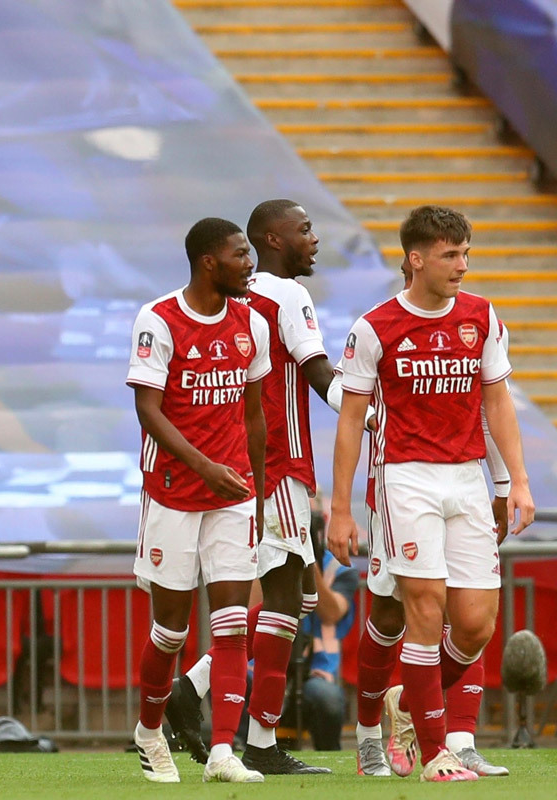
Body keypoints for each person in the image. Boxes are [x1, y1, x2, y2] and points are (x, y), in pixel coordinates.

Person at [329, 205, 534, 782]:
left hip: (467, 477)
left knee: (474, 625)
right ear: (415, 259)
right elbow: (351, 420)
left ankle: (407, 705)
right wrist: (341, 507)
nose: (462, 266)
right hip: (405, 479)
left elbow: (497, 402)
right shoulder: (375, 328)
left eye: (466, 254)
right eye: (450, 255)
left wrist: (516, 481)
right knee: (422, 610)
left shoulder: (481, 317)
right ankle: (437, 751)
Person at [165, 200, 339, 775]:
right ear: (274, 239)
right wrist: (376, 410)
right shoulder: (287, 295)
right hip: (279, 464)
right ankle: (260, 740)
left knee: (298, 598)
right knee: (287, 602)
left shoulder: (240, 296)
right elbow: (320, 376)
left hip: (254, 463)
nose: (313, 238)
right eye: (304, 229)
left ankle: (194, 685)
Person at [126, 217, 270, 784]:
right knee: (172, 631)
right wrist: (205, 467)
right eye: (240, 254)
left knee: (232, 625)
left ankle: (222, 752)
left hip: (233, 495)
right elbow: (148, 409)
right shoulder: (159, 319)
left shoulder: (251, 323)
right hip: (173, 492)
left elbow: (254, 416)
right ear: (210, 262)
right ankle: (148, 732)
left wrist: (256, 491)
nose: (250, 263)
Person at [295, 506, 358, 751]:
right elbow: (251, 605)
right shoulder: (266, 555)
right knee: (240, 684)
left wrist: (309, 560)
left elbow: (332, 612)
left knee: (328, 698)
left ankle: (328, 757)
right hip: (263, 666)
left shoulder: (338, 569)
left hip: (316, 672)